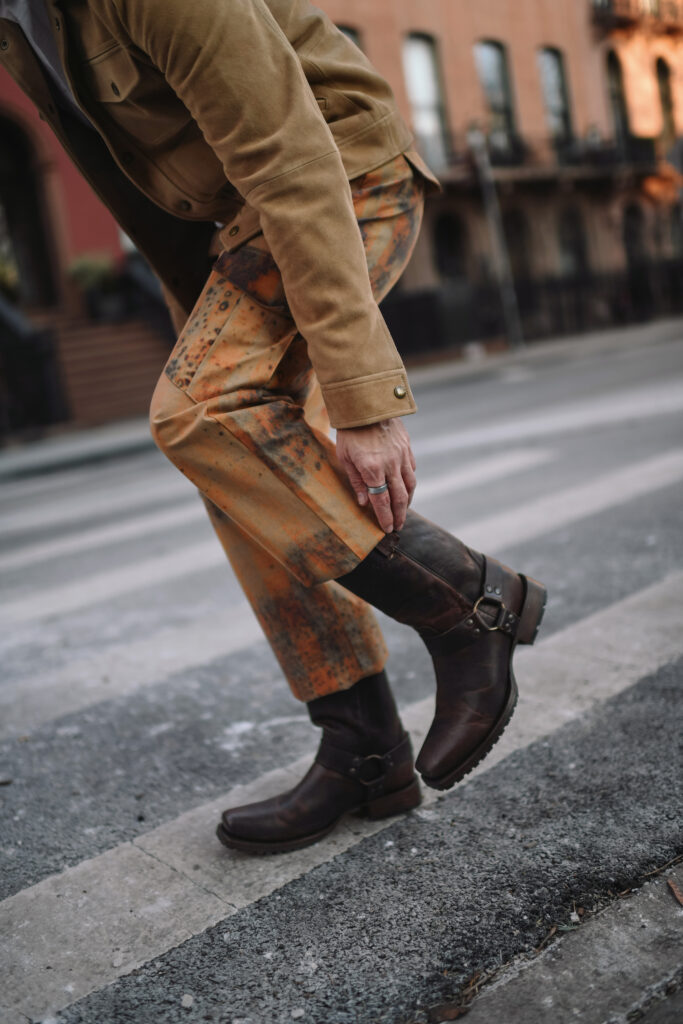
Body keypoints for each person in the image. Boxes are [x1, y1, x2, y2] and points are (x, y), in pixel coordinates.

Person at [1, 0, 546, 854]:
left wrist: (362, 397)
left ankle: (466, 604)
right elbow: (131, 183)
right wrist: (199, 330)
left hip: (342, 180)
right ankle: (364, 745)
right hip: (246, 224)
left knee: (200, 414)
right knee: (232, 458)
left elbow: (291, 154)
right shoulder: (17, 23)